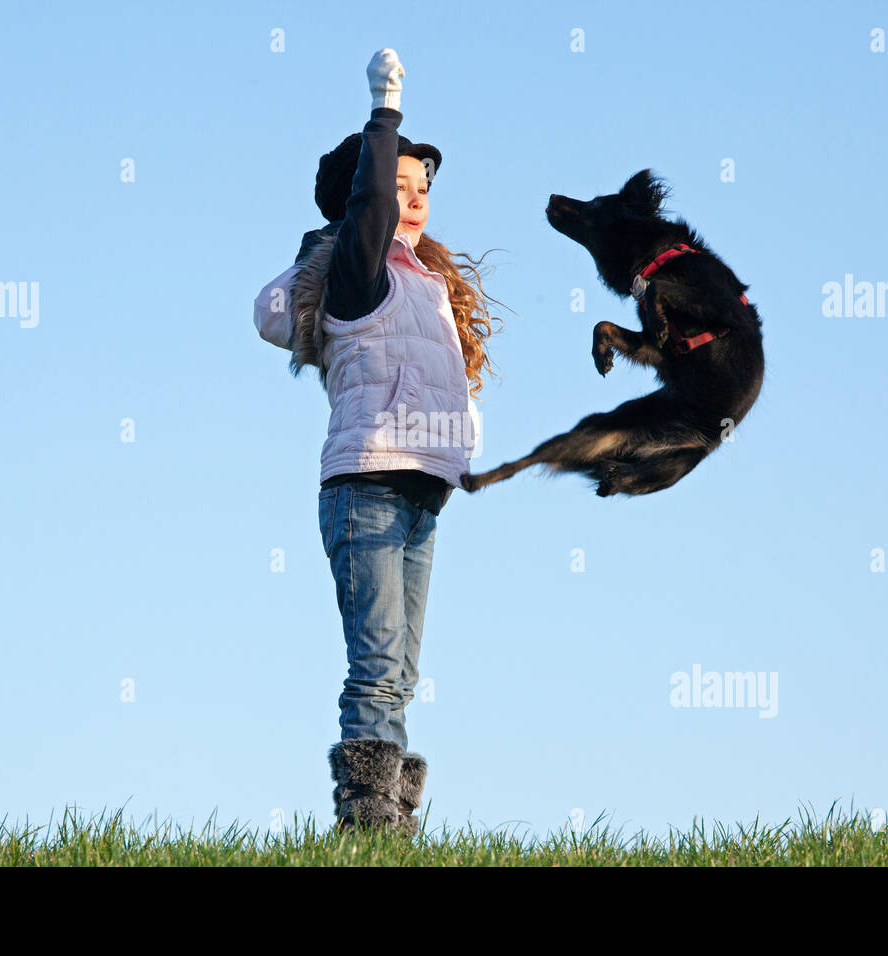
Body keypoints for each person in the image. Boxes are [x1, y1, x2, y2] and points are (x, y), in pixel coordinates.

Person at [252, 49, 504, 834]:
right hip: (364, 487)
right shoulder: (358, 274)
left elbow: (443, 378)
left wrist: (465, 434)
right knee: (377, 665)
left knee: (403, 674)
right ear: (360, 205)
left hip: (422, 491)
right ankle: (365, 825)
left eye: (423, 188)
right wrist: (385, 112)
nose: (415, 200)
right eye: (398, 186)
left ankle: (391, 826)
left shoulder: (429, 284)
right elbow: (365, 215)